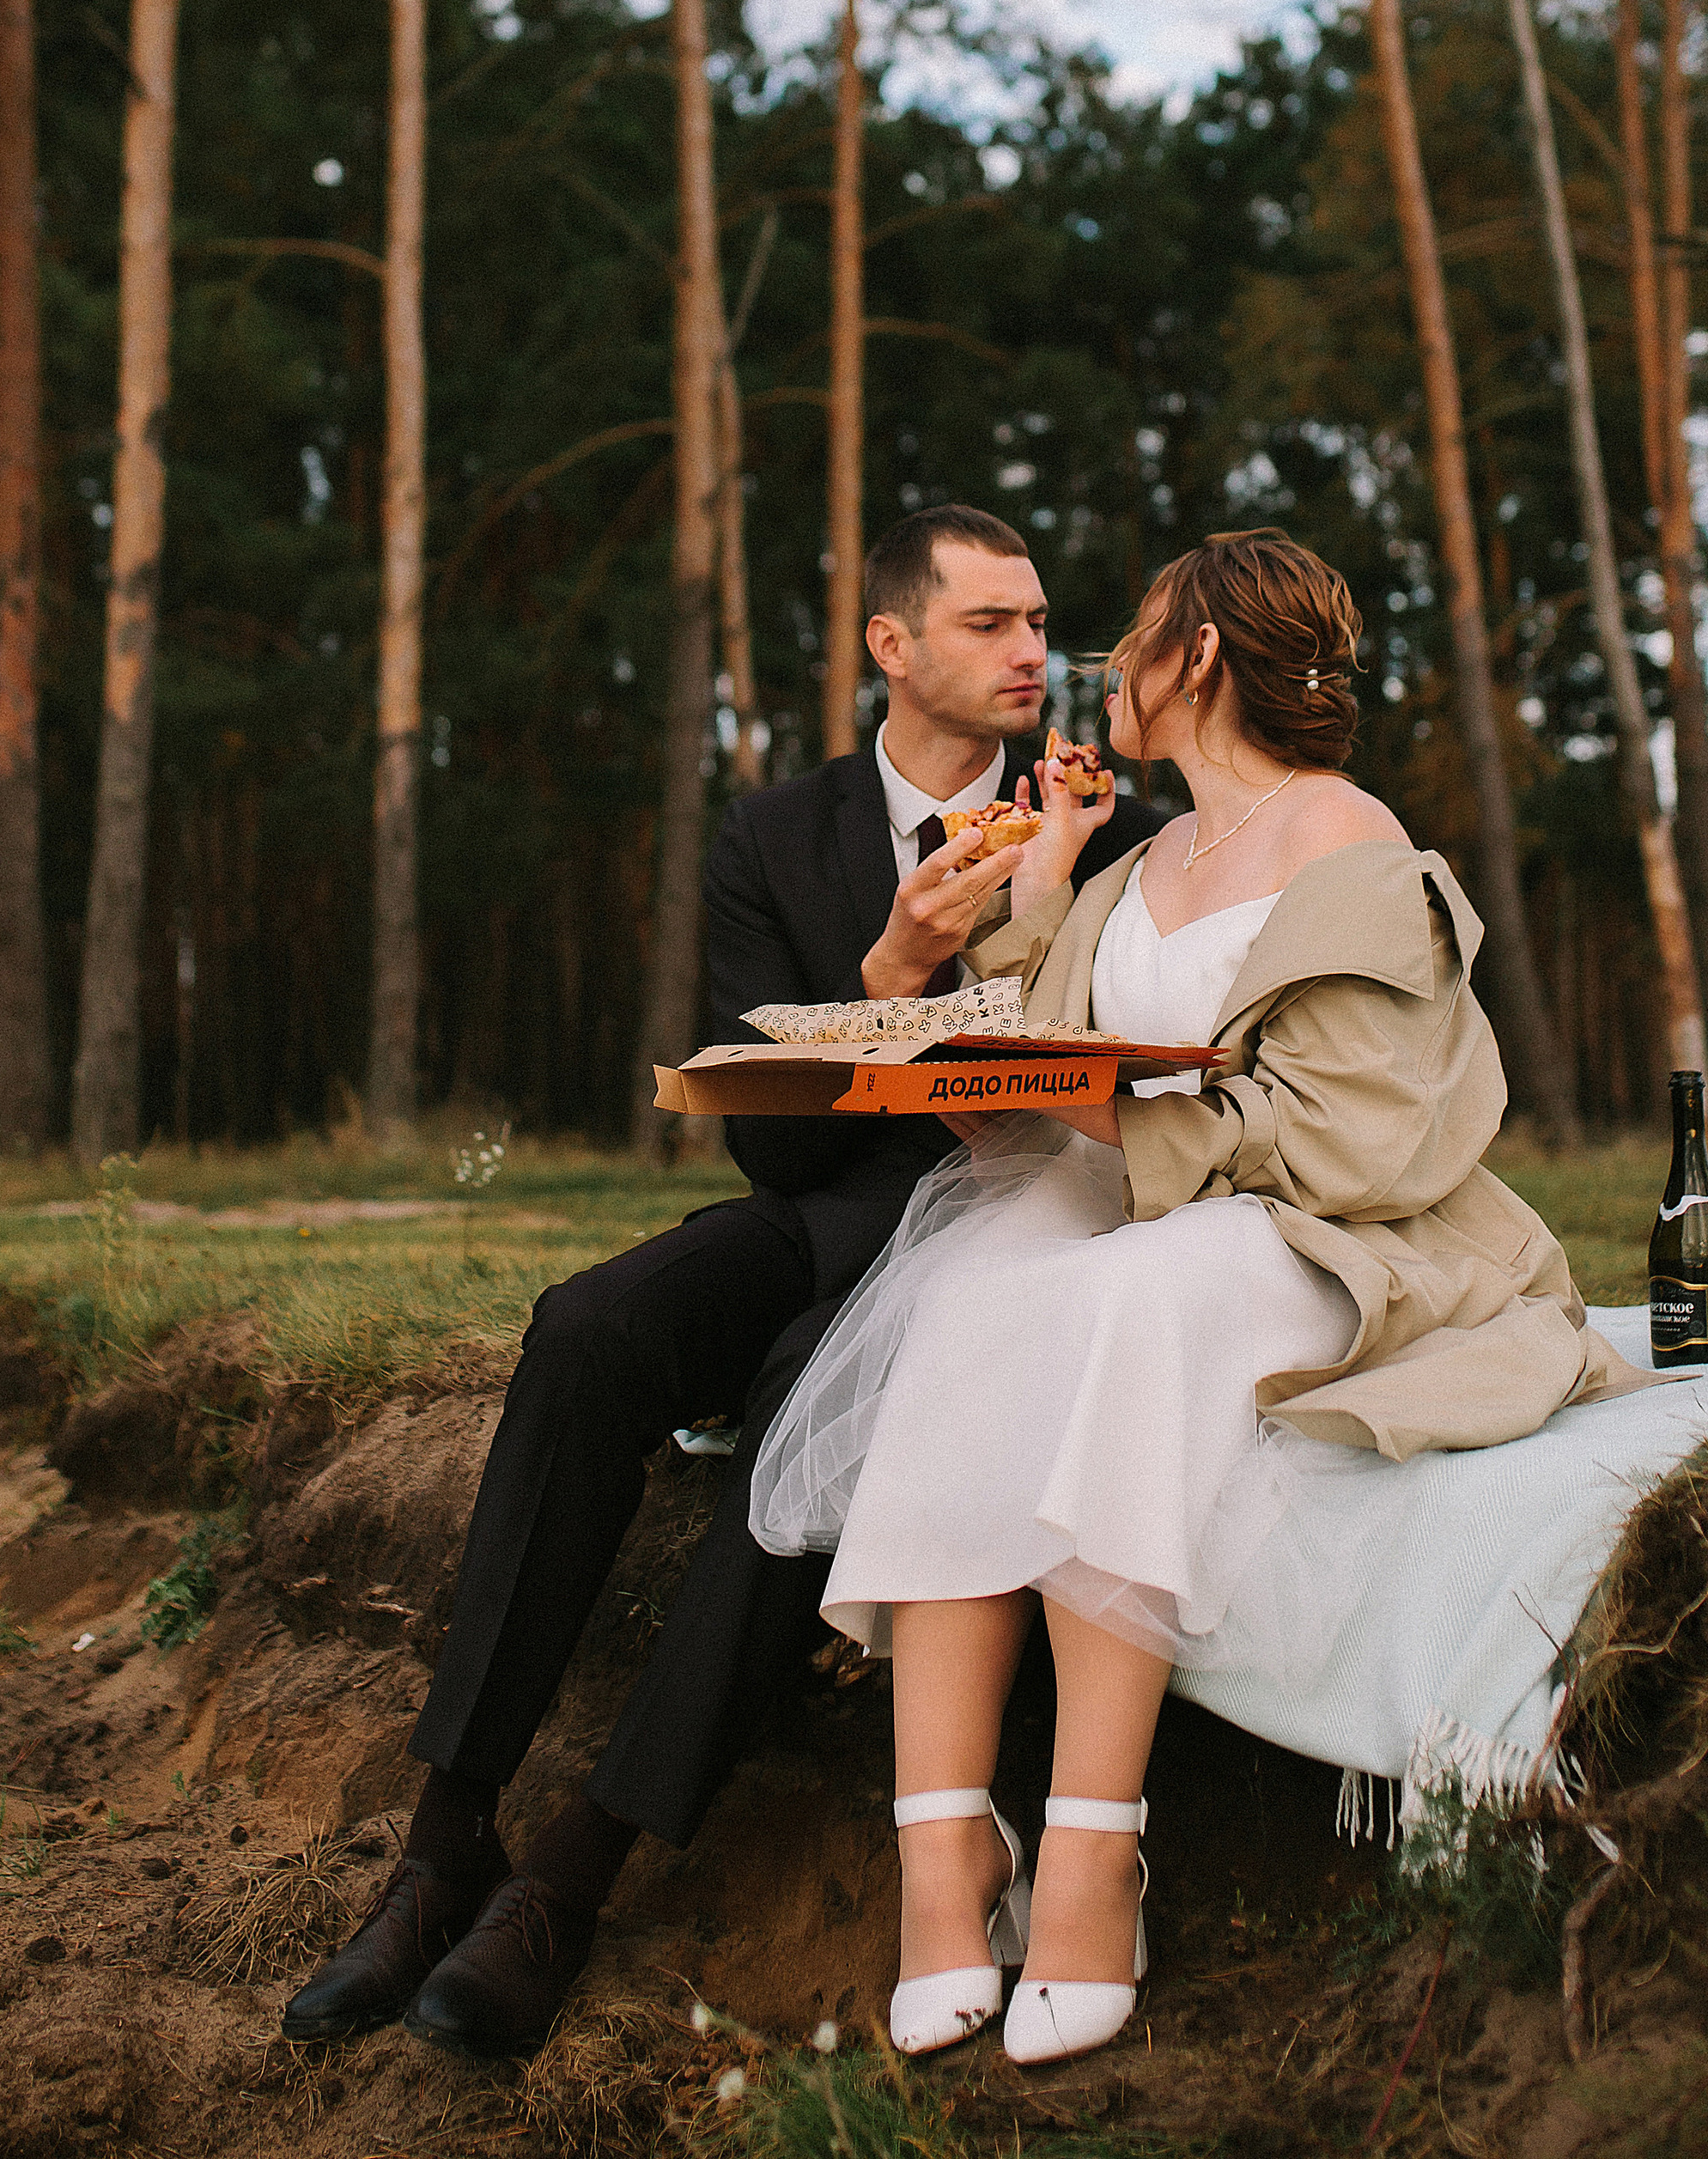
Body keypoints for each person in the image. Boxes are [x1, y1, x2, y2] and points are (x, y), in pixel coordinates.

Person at [750, 528, 1635, 2069]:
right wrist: (1022, 926)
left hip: (1322, 1232)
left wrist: (1100, 1110)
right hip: (1149, 1200)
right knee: (968, 1302)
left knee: (1134, 1301)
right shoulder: (1144, 861)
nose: (1102, 664)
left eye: (1137, 633)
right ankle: (944, 1850)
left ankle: (1097, 1849)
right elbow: (1036, 1074)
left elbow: (1355, 1134)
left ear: (1202, 656)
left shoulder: (1350, 843)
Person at [281, 505, 1156, 2055]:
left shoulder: (1107, 823)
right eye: (990, 624)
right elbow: (770, 1159)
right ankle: (444, 1835)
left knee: (806, 1438)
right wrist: (888, 980)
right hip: (828, 1206)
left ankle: (573, 1870)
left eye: (1040, 622)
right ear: (892, 645)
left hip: (1015, 1224)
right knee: (588, 1329)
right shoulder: (775, 837)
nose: (1033, 651)